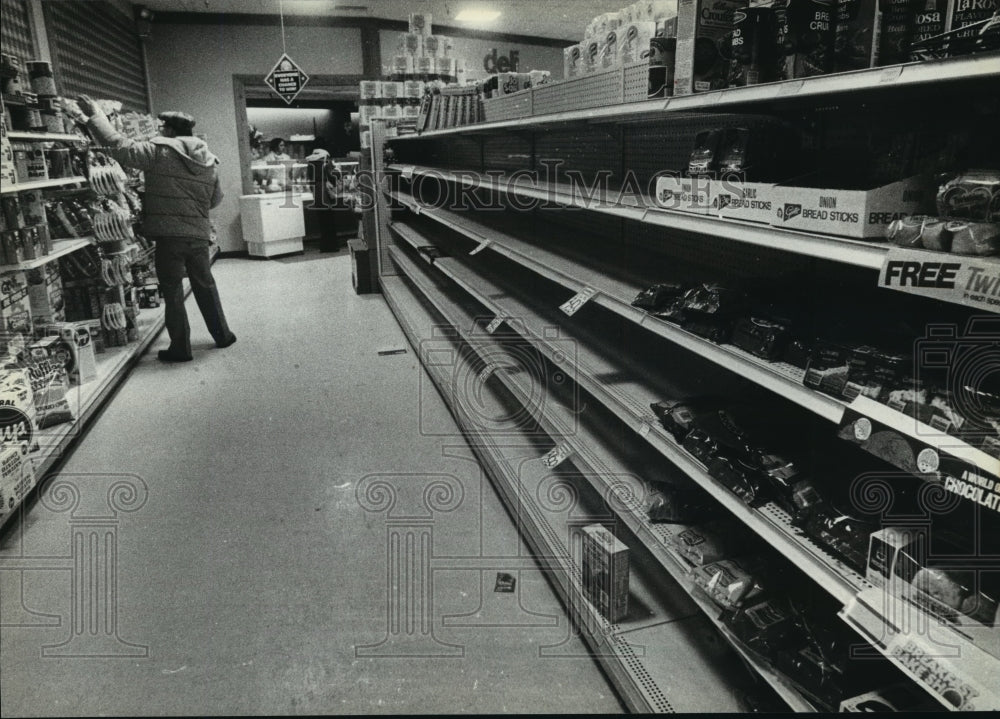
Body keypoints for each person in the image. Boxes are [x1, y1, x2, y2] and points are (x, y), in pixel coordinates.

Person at [76, 96, 236, 363]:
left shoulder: (158, 152)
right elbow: (215, 200)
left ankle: (180, 348)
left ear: (170, 130)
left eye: (162, 128)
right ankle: (223, 335)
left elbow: (118, 146)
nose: (160, 132)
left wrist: (96, 117)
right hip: (198, 234)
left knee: (172, 291)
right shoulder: (208, 160)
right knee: (206, 285)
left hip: (169, 236)